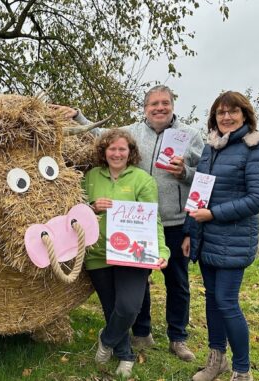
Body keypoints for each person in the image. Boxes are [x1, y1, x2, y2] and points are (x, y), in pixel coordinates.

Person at [65, 85, 204, 361]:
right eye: (154, 104)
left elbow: (204, 173)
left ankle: (178, 338)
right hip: (134, 226)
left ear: (172, 105)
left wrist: (185, 172)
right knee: (139, 282)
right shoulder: (134, 133)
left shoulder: (190, 135)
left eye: (165, 103)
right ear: (145, 108)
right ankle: (141, 332)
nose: (159, 108)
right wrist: (78, 115)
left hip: (174, 221)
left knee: (177, 282)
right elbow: (103, 136)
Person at [182, 91, 259, 381]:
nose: (226, 117)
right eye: (221, 112)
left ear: (245, 115)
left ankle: (242, 370)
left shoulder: (258, 148)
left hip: (233, 239)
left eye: (233, 111)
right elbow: (199, 191)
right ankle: (216, 360)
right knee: (212, 300)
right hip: (208, 238)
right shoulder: (212, 147)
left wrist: (215, 214)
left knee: (226, 301)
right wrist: (189, 231)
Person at [83, 129, 170, 377]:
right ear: (104, 151)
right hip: (98, 253)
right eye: (112, 148)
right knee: (111, 308)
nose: (117, 153)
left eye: (122, 149)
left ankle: (107, 340)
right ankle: (126, 355)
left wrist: (162, 249)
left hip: (133, 254)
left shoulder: (143, 180)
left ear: (130, 152)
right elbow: (75, 212)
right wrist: (92, 207)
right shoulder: (90, 177)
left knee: (129, 307)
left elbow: (154, 220)